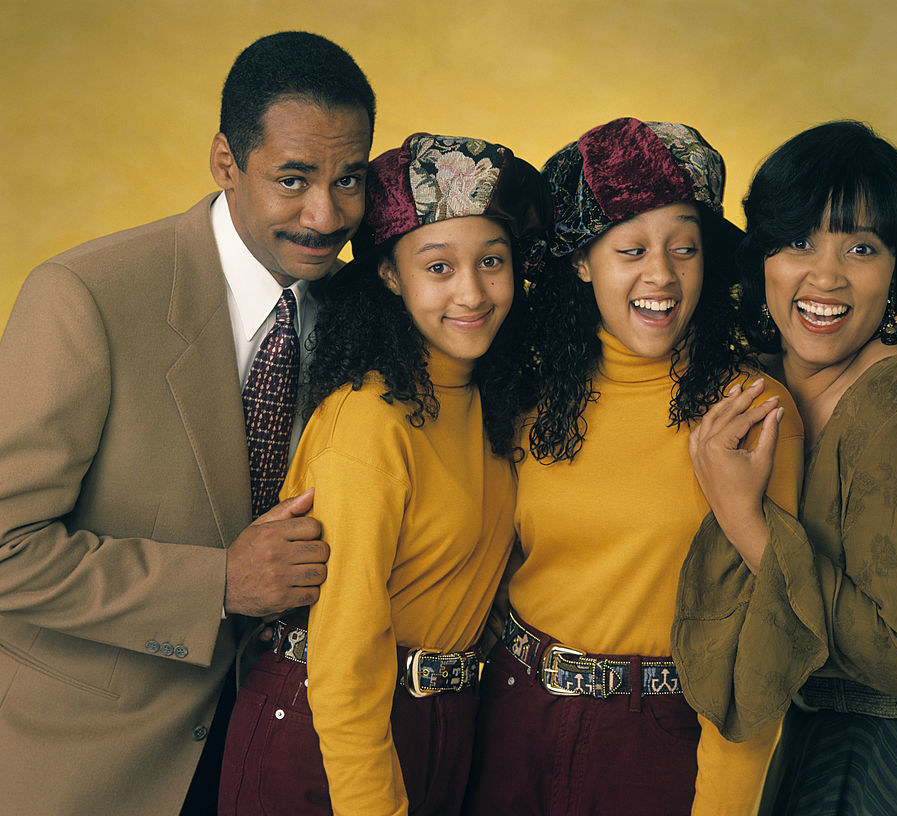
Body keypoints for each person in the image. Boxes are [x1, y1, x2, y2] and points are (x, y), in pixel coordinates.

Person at [0, 31, 374, 815]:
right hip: (90, 763)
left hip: (279, 761)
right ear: (225, 162)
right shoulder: (85, 297)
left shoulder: (370, 314)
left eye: (350, 180)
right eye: (294, 178)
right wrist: (218, 585)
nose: (326, 214)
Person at [462, 117, 804, 816]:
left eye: (685, 247)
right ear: (583, 260)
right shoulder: (530, 391)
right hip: (510, 714)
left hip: (657, 740)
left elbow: (764, 644)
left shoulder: (752, 411)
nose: (662, 274)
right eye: (631, 249)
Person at [680, 120, 897, 815]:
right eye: (799, 241)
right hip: (822, 731)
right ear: (763, 258)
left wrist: (745, 518)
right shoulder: (754, 384)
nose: (825, 276)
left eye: (860, 247)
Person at [218, 133, 550, 816]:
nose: (472, 292)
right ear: (391, 276)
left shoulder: (494, 408)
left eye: (492, 261)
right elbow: (342, 666)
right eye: (438, 267)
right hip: (325, 735)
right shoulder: (370, 421)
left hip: (438, 724)